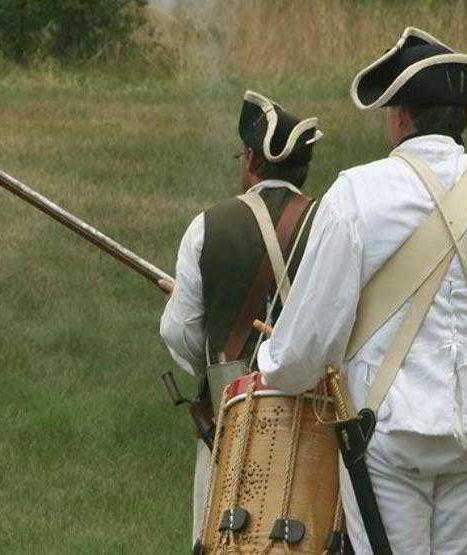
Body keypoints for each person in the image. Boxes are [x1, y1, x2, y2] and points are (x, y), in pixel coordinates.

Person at [257, 27, 467, 555]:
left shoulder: (355, 194)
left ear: (400, 115)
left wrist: (272, 362)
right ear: (463, 118)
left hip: (389, 431)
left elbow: (308, 344)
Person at [159, 90, 323, 542]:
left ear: (251, 159)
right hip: (314, 422)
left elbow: (180, 332)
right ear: (303, 168)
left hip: (230, 417)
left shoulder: (208, 225)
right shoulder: (330, 222)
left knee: (223, 541)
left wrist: (215, 343)